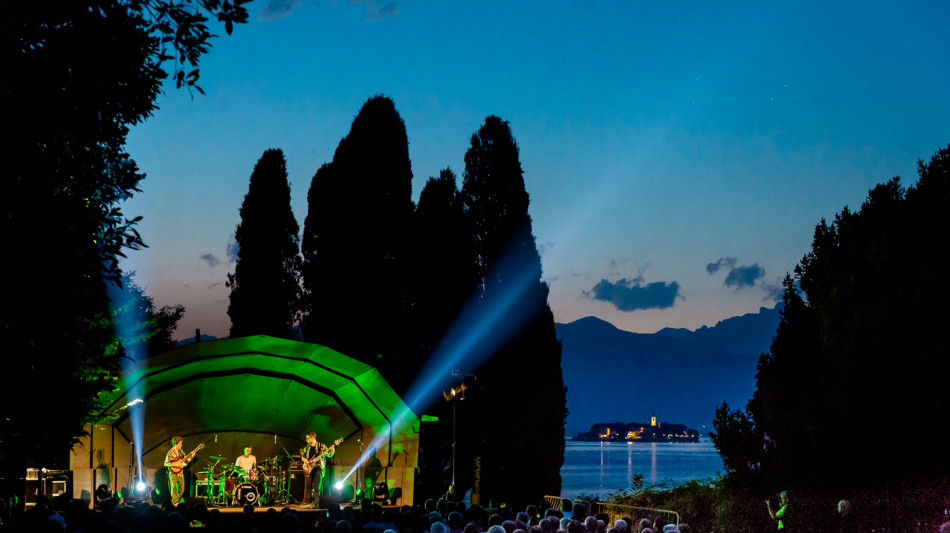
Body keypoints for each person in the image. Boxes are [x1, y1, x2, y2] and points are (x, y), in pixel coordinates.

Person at [302, 432, 336, 507]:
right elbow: (302, 457)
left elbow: (329, 455)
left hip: (318, 468)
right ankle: (307, 501)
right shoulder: (307, 448)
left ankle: (315, 503)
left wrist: (332, 451)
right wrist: (305, 461)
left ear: (312, 438)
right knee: (308, 486)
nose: (306, 440)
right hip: (309, 468)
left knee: (316, 487)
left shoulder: (322, 446)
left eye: (307, 438)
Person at [164, 436, 191, 505]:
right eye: (180, 443)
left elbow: (186, 460)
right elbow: (165, 463)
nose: (181, 445)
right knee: (174, 489)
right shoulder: (170, 452)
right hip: (173, 473)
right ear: (176, 444)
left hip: (180, 473)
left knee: (182, 489)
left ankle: (175, 500)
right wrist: (176, 465)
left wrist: (192, 456)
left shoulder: (181, 451)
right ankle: (175, 502)